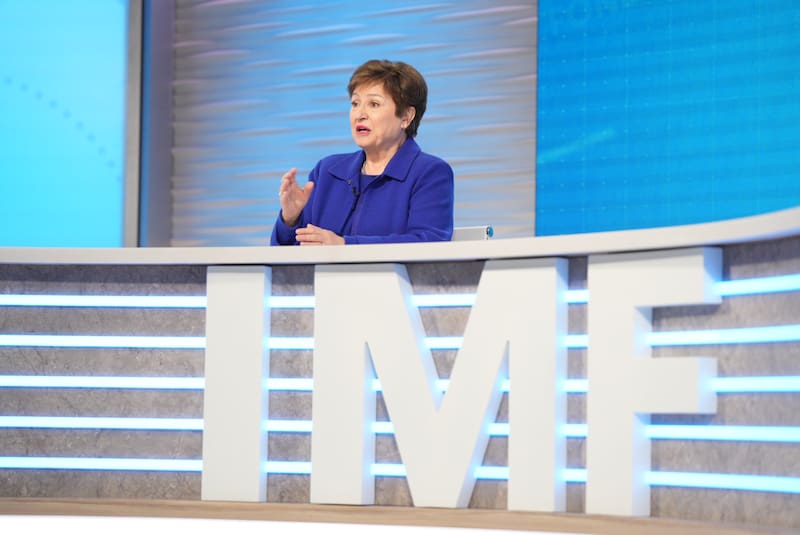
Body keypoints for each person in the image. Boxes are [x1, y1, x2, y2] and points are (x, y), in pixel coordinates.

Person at [270, 59, 454, 246]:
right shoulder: (327, 171)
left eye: (374, 104)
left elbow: (429, 242)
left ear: (406, 117)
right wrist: (290, 220)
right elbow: (288, 260)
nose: (360, 114)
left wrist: (344, 246)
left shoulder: (429, 173)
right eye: (355, 103)